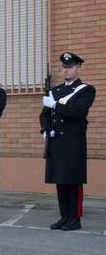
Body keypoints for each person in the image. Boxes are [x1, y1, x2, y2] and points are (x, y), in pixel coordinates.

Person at [40, 52, 96, 231]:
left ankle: (75, 218)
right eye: (64, 67)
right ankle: (64, 216)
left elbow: (78, 112)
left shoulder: (86, 90)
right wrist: (46, 129)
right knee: (61, 181)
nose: (66, 70)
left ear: (78, 69)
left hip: (73, 142)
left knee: (73, 181)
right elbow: (44, 115)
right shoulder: (55, 91)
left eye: (70, 67)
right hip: (56, 141)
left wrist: (55, 105)